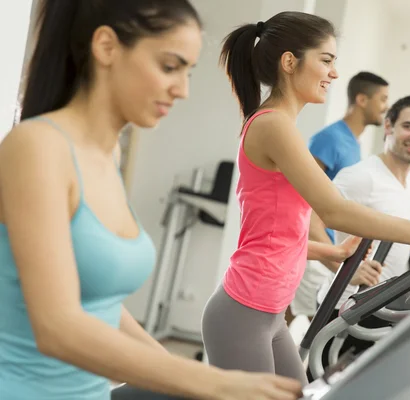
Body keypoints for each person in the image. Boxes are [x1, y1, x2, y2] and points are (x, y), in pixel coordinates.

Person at [0, 1, 304, 399]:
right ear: (107, 47)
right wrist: (212, 381)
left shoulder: (107, 156)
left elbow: (98, 304)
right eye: (169, 67)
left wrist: (171, 368)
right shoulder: (36, 147)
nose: (183, 90)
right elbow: (58, 328)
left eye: (188, 72)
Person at [201, 11, 410, 388]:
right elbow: (334, 212)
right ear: (290, 62)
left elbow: (274, 232)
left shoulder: (282, 127)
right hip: (244, 311)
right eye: (327, 60)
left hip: (268, 313)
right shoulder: (273, 126)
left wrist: (330, 254)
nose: (335, 74)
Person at [309, 95, 410, 380]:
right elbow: (311, 220)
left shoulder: (408, 180)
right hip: (344, 308)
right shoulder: (363, 177)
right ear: (388, 127)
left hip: (378, 306)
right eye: (409, 126)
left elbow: (398, 234)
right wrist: (343, 266)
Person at [287, 72, 390, 324]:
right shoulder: (330, 139)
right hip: (316, 251)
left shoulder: (354, 144)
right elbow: (300, 198)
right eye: (382, 99)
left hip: (330, 250)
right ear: (362, 99)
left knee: (295, 321)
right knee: (314, 326)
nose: (386, 107)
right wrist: (333, 258)